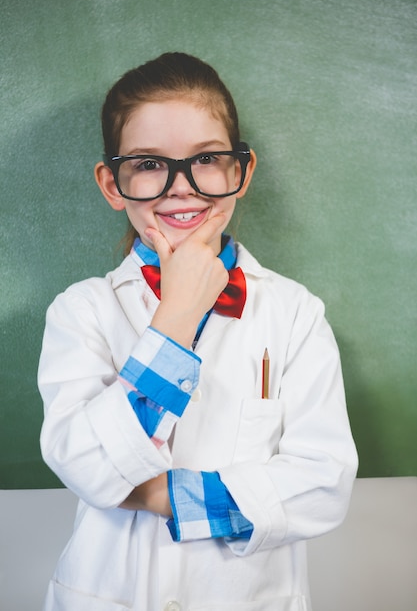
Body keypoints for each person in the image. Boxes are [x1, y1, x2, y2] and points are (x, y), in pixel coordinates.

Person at [38, 52, 358, 611]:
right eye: (148, 163)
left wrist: (163, 495)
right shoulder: (81, 311)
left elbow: (323, 484)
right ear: (112, 183)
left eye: (206, 158)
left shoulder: (295, 312)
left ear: (241, 171)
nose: (180, 188)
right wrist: (177, 315)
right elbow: (84, 464)